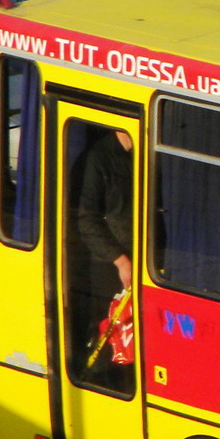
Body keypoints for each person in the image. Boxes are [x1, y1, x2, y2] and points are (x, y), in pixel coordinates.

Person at [72, 127, 135, 388]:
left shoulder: (142, 155)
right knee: (107, 335)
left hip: (139, 263)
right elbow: (86, 220)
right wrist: (120, 260)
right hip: (108, 267)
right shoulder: (98, 159)